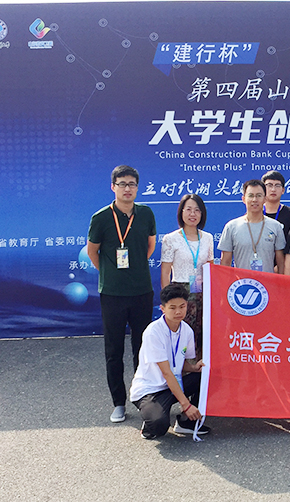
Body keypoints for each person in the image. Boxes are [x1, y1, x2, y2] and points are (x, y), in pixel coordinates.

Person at [87, 165, 157, 423]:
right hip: (112, 294)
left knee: (142, 348)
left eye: (132, 184)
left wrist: (133, 267)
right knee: (114, 349)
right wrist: (111, 273)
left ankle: (143, 398)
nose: (127, 188)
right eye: (122, 184)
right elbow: (93, 251)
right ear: (113, 187)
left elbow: (150, 246)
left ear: (137, 188)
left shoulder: (146, 213)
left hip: (141, 291)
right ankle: (118, 402)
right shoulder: (101, 217)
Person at [129, 284, 210, 439]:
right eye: (172, 308)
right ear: (163, 309)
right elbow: (166, 372)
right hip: (150, 390)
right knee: (158, 426)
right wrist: (186, 405)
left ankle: (186, 422)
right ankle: (150, 419)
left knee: (205, 376)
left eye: (182, 306)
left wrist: (194, 368)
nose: (178, 312)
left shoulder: (186, 330)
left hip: (171, 385)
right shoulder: (153, 332)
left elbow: (180, 363)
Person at [160, 194, 214, 357]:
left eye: (197, 210)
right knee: (182, 335)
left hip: (202, 293)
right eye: (188, 209)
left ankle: (201, 369)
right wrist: (168, 301)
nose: (192, 214)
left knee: (203, 334)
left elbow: (210, 269)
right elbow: (165, 272)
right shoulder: (171, 239)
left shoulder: (208, 238)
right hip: (180, 292)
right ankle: (181, 369)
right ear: (181, 212)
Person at [219, 179, 286, 273]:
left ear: (265, 199)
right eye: (250, 196)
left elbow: (281, 263)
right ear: (243, 199)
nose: (254, 200)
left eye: (259, 196)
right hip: (241, 281)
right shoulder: (231, 227)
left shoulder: (276, 226)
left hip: (267, 281)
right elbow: (225, 262)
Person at [262, 170, 290, 238]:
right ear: (262, 189)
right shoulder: (255, 213)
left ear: (283, 190)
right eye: (269, 185)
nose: (273, 189)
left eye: (277, 185)